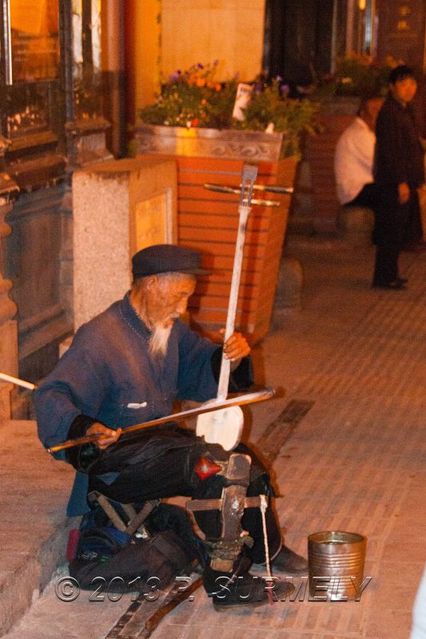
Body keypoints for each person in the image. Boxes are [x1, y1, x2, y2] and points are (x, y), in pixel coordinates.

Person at [34, 244, 307, 608]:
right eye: (179, 296)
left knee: (241, 458)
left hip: (159, 448)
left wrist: (230, 357)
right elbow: (51, 394)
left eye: (188, 298)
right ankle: (226, 585)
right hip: (118, 463)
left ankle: (265, 549)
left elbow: (201, 369)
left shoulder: (167, 330)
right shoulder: (100, 337)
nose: (183, 309)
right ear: (151, 285)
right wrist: (86, 428)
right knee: (215, 469)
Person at [372, 65, 425, 290]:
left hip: (404, 179)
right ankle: (384, 277)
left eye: (412, 84)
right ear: (392, 87)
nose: (409, 88)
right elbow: (392, 151)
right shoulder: (389, 113)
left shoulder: (406, 110)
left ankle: (390, 273)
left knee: (398, 229)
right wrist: (401, 182)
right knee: (391, 230)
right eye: (403, 84)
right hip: (393, 182)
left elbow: (411, 144)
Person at [334, 94, 383, 212]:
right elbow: (381, 166)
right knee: (397, 191)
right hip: (356, 192)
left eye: (381, 111)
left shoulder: (369, 133)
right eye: (374, 110)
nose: (379, 115)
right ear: (362, 113)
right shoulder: (359, 134)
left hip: (364, 188)